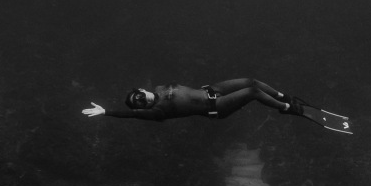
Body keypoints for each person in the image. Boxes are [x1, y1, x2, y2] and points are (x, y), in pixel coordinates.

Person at [82, 79, 351, 133]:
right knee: (253, 92)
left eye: (138, 96)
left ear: (141, 89)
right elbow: (131, 116)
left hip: (210, 91)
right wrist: (107, 112)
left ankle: (284, 97)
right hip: (216, 107)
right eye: (138, 104)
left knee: (250, 80)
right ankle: (288, 109)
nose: (141, 101)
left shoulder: (160, 89)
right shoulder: (157, 112)